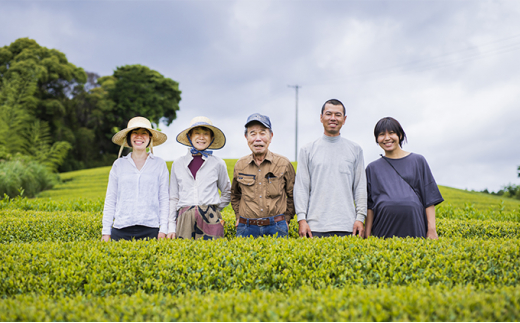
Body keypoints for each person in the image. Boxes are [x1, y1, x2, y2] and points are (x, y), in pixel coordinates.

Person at [294, 99, 367, 238]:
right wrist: (302, 219)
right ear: (321, 117)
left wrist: (360, 218)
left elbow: (360, 187)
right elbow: (302, 188)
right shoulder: (307, 150)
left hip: (348, 225)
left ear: (344, 119)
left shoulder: (355, 149)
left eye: (338, 115)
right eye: (328, 114)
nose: (333, 118)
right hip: (315, 226)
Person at [365, 117, 444, 239]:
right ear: (377, 139)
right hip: (382, 228)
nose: (387, 138)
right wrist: (367, 235)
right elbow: (370, 207)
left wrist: (432, 230)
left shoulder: (418, 161)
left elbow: (429, 199)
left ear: (400, 135)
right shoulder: (372, 168)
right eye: (381, 134)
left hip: (415, 226)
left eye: (391, 133)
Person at [102, 116, 169, 241]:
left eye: (144, 133)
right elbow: (111, 198)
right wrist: (106, 231)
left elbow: (164, 199)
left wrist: (163, 228)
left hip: (151, 229)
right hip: (121, 229)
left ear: (150, 138)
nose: (139, 136)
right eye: (135, 133)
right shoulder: (118, 165)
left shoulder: (159, 164)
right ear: (129, 137)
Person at [231, 113, 296, 238]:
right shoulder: (240, 165)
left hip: (276, 226)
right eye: (253, 133)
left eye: (262, 133)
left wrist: (286, 219)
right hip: (246, 227)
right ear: (246, 137)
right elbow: (235, 195)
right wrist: (238, 216)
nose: (258, 139)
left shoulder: (283, 163)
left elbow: (293, 195)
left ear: (270, 137)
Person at [167, 116, 231, 240]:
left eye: (206, 134)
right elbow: (173, 197)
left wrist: (214, 209)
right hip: (184, 217)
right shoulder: (178, 164)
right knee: (184, 256)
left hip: (211, 217)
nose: (201, 137)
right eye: (197, 133)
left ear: (211, 138)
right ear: (189, 136)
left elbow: (227, 191)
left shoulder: (218, 163)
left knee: (212, 255)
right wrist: (171, 226)